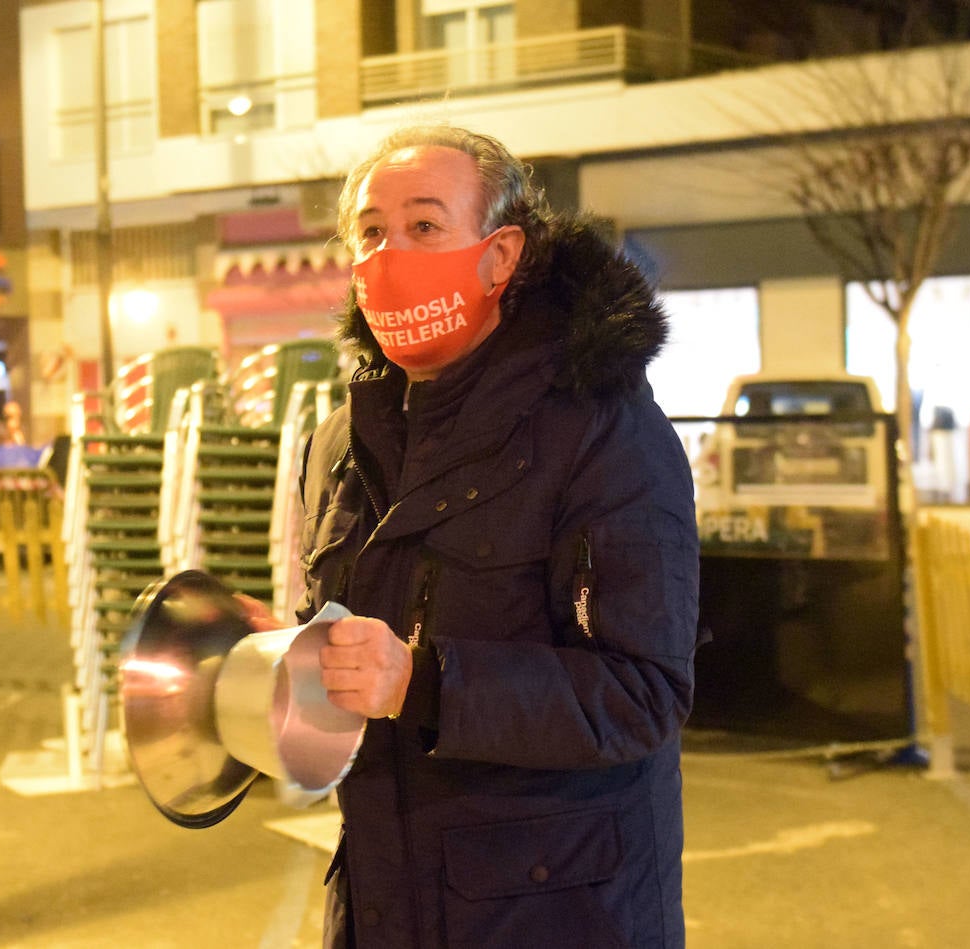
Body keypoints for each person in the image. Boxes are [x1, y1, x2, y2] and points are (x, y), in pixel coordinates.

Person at [294, 125, 701, 948]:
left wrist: (425, 680)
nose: (389, 253)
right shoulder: (341, 439)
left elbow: (642, 692)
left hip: (559, 911)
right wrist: (276, 665)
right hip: (388, 897)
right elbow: (348, 654)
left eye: (425, 225)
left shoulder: (603, 429)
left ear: (501, 253)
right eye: (370, 231)